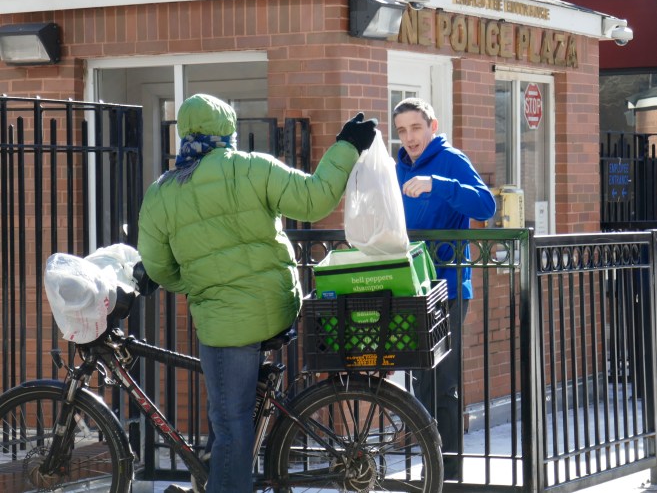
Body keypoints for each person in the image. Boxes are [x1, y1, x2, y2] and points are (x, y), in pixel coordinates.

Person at [137, 94, 377, 493]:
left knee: (229, 425)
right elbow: (316, 198)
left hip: (226, 324)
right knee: (237, 417)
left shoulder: (163, 192)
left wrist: (197, 284)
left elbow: (159, 267)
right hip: (280, 307)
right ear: (227, 130)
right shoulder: (252, 167)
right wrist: (346, 145)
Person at [392, 97, 496, 481]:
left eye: (416, 128)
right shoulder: (398, 167)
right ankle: (431, 466)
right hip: (409, 284)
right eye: (402, 131)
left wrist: (439, 184)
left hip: (448, 287)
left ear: (432, 127)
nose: (409, 137)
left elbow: (486, 207)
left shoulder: (451, 159)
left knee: (443, 380)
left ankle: (449, 473)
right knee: (421, 380)